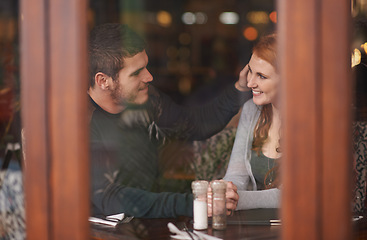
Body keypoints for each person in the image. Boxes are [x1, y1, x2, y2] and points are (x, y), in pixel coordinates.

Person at [88, 23, 252, 218]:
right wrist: (195, 203)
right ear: (103, 81)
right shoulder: (77, 122)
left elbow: (195, 124)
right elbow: (111, 198)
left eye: (146, 67)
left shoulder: (148, 101)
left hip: (149, 225)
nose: (149, 77)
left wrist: (240, 89)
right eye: (136, 73)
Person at [223, 34, 281, 210]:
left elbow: (294, 194)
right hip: (260, 227)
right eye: (250, 71)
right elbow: (236, 176)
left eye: (261, 76)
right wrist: (224, 191)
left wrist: (235, 200)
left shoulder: (311, 119)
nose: (249, 83)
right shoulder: (251, 110)